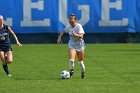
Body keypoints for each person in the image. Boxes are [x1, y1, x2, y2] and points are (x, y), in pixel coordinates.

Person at [57, 14, 86, 79]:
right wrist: (59, 37)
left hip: (80, 46)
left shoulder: (79, 26)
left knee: (81, 63)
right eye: (69, 19)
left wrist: (74, 34)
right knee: (71, 60)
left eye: (71, 19)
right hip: (72, 45)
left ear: (75, 20)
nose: (70, 20)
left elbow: (81, 36)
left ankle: (83, 74)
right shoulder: (68, 26)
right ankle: (71, 72)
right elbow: (64, 31)